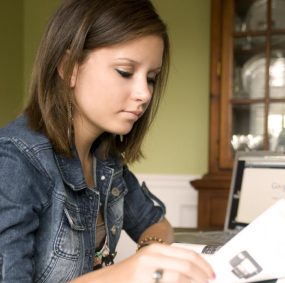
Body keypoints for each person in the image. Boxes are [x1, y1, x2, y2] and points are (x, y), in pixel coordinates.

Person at [0, 0, 215, 282]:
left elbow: (156, 223)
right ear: (68, 68)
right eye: (125, 72)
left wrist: (150, 253)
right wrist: (127, 273)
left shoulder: (105, 159)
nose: (144, 94)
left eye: (151, 78)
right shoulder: (15, 161)